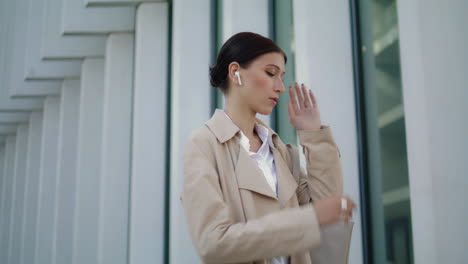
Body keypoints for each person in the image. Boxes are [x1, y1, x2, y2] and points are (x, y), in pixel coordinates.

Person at [182, 32, 356, 264]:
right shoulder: (204, 145)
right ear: (236, 73)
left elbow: (327, 209)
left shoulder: (280, 151)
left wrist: (313, 135)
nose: (281, 87)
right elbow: (213, 244)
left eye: (281, 76)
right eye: (271, 73)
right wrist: (310, 219)